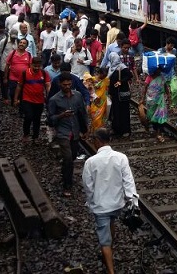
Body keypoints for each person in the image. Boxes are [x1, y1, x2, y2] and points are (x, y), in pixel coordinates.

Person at [82, 128, 139, 274]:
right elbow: (128, 182)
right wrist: (133, 202)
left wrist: (90, 202)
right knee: (112, 222)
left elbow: (88, 187)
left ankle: (111, 270)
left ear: (98, 141)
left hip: (101, 206)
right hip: (117, 204)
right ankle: (110, 249)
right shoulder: (121, 158)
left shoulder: (90, 162)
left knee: (104, 240)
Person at [48, 74, 89, 196]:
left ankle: (65, 173)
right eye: (64, 85)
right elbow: (50, 120)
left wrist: (85, 129)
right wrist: (61, 115)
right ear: (60, 85)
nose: (67, 87)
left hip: (75, 131)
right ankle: (67, 185)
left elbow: (82, 113)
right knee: (67, 158)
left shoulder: (77, 96)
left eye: (69, 84)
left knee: (72, 157)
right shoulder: (54, 100)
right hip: (63, 132)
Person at [14, 56, 51, 142]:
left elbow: (48, 85)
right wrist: (16, 99)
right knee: (28, 116)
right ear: (31, 65)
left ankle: (35, 136)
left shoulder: (44, 74)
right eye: (35, 66)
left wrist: (49, 96)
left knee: (37, 118)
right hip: (27, 99)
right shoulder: (25, 73)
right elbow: (19, 86)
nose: (37, 68)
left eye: (38, 66)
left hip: (39, 100)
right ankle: (26, 134)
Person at [107, 52, 133, 138]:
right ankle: (116, 129)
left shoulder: (122, 67)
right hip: (115, 94)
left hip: (122, 94)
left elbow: (129, 75)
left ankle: (125, 130)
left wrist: (121, 81)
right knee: (115, 111)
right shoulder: (111, 68)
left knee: (123, 111)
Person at [141, 67, 169, 142]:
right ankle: (150, 125)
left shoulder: (162, 77)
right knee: (151, 115)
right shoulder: (149, 77)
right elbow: (145, 88)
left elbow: (166, 87)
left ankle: (158, 133)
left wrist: (169, 96)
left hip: (160, 99)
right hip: (151, 100)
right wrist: (142, 98)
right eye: (158, 69)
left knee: (160, 115)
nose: (160, 71)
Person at [4, 35, 32, 106]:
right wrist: (5, 77)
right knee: (12, 93)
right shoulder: (13, 53)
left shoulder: (28, 55)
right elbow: (7, 65)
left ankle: (21, 107)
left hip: (24, 79)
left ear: (26, 46)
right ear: (18, 43)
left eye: (24, 43)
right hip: (13, 78)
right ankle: (14, 102)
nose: (22, 44)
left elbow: (30, 67)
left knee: (22, 94)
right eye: (21, 42)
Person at [157, 37, 177, 108]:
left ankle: (173, 105)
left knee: (175, 89)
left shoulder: (174, 50)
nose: (172, 47)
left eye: (173, 46)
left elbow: (174, 62)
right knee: (161, 92)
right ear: (167, 44)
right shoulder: (160, 51)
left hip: (172, 73)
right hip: (162, 74)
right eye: (171, 45)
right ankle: (161, 106)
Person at [88, 67, 110, 133]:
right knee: (95, 116)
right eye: (103, 75)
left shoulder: (106, 80)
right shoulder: (92, 79)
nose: (104, 76)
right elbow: (86, 78)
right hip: (95, 102)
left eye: (105, 75)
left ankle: (100, 132)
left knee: (102, 118)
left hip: (103, 102)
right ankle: (95, 131)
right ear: (99, 73)